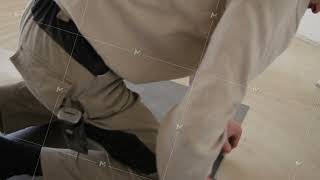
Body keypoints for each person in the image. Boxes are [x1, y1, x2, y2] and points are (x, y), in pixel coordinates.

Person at [1, 0, 319, 179]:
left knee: (66, 91)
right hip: (70, 54)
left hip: (51, 25)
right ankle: (12, 158)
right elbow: (211, 94)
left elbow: (216, 41)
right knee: (159, 171)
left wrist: (219, 123)